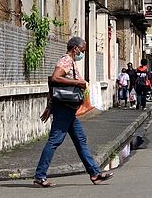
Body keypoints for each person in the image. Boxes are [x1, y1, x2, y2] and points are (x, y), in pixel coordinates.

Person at [36, 36, 113, 187]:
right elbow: (55, 78)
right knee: (55, 140)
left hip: (69, 110)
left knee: (80, 140)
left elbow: (54, 87)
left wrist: (49, 106)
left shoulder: (71, 62)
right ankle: (40, 175)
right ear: (75, 48)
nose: (82, 54)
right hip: (64, 109)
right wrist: (77, 82)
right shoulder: (65, 60)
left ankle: (95, 174)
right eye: (82, 50)